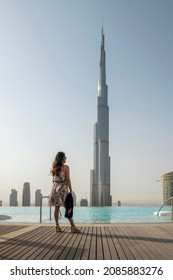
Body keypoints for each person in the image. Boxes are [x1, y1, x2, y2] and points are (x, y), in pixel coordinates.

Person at [49, 151, 80, 233]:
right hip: (62, 189)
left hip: (55, 189)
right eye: (65, 157)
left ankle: (57, 226)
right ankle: (73, 227)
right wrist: (71, 189)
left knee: (56, 208)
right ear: (62, 158)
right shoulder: (66, 167)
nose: (66, 158)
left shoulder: (54, 168)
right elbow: (68, 179)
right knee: (68, 207)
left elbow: (54, 180)